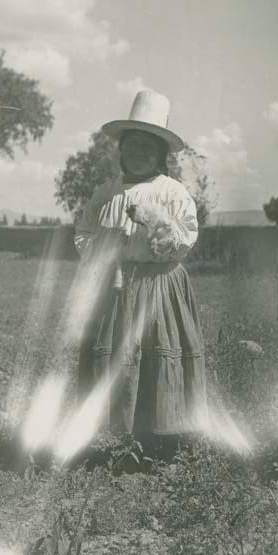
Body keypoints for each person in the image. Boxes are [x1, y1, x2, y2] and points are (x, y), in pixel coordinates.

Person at [74, 90, 207, 456]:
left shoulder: (173, 193)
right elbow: (83, 233)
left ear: (162, 154)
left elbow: (185, 237)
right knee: (116, 354)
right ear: (121, 149)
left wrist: (158, 227)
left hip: (159, 287)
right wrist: (102, 249)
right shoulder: (106, 193)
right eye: (132, 145)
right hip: (114, 288)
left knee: (155, 354)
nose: (139, 153)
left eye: (148, 147)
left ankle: (159, 436)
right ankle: (114, 435)